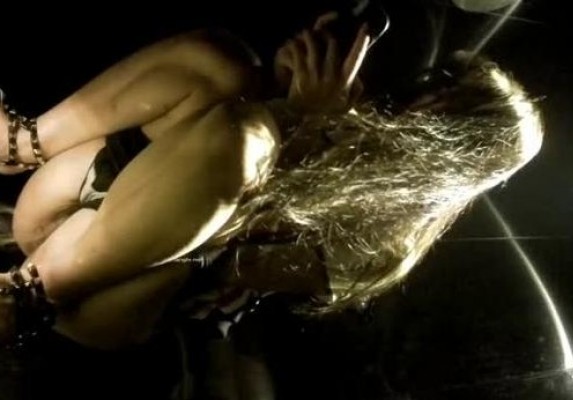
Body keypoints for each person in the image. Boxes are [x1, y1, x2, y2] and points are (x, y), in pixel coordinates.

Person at [0, 8, 543, 351]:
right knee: (225, 64)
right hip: (68, 200)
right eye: (441, 81)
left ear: (458, 158)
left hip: (101, 294)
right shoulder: (353, 112)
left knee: (247, 136)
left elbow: (222, 252)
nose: (428, 97)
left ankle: (18, 300)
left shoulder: (386, 242)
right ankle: (20, 143)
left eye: (453, 108)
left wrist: (296, 123)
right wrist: (277, 85)